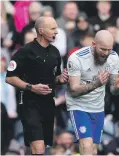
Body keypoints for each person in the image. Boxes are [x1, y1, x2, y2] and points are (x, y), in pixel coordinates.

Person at [5, 16, 68, 154]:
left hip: (48, 104)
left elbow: (55, 78)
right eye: (52, 28)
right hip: (29, 104)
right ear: (40, 30)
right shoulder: (25, 51)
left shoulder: (55, 53)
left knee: (42, 148)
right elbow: (9, 78)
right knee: (38, 147)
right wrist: (31, 87)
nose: (56, 32)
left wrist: (61, 79)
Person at [66, 30, 119, 155]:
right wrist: (96, 84)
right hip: (79, 106)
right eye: (103, 49)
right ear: (93, 44)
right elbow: (74, 90)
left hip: (98, 107)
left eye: (109, 49)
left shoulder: (114, 58)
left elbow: (113, 91)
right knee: (86, 145)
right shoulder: (77, 58)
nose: (106, 53)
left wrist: (118, 87)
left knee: (93, 150)